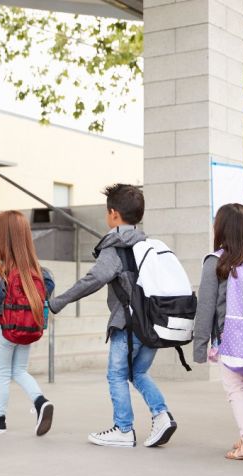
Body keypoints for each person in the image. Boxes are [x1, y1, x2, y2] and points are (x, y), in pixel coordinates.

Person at [49, 184, 177, 448]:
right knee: (138, 372)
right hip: (154, 322)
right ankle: (161, 415)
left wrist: (58, 302)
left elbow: (95, 277)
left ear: (114, 214)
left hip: (128, 323)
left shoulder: (116, 245)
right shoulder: (147, 244)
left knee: (117, 375)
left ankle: (123, 428)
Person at [193, 203, 243, 462]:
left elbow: (205, 306)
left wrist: (200, 345)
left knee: (235, 388)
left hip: (232, 338)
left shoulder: (216, 262)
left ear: (221, 228)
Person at [0, 210, 55, 436]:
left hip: (6, 328)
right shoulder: (37, 269)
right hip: (27, 327)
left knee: (2, 373)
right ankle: (41, 402)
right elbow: (47, 290)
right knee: (19, 370)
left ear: (0, 236)